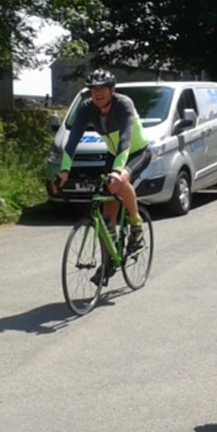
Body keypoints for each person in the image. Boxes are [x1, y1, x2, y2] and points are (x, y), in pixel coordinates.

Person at [52, 69, 151, 277]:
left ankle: (136, 225)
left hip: (136, 152)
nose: (97, 94)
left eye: (102, 89)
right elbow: (72, 141)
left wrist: (118, 171)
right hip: (113, 154)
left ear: (112, 90)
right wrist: (64, 171)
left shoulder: (124, 104)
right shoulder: (88, 108)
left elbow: (125, 141)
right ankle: (110, 259)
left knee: (121, 181)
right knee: (107, 213)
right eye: (93, 89)